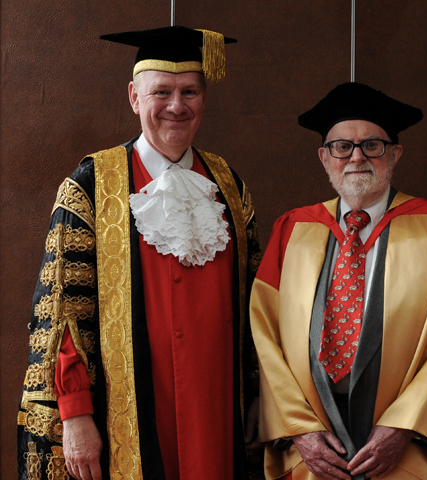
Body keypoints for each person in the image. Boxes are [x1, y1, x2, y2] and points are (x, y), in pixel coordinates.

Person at [17, 26, 262, 480]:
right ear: (134, 96)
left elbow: (256, 307)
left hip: (216, 411)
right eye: (161, 92)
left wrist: (257, 394)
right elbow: (62, 310)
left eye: (189, 91)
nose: (176, 105)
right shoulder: (91, 183)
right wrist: (74, 414)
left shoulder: (229, 185)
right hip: (127, 411)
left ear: (204, 99)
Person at [250, 82, 427, 480]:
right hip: (312, 454)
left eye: (372, 145)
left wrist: (403, 425)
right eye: (342, 147)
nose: (356, 157)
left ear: (395, 154)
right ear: (324, 157)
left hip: (407, 451)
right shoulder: (292, 229)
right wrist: (301, 430)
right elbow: (266, 337)